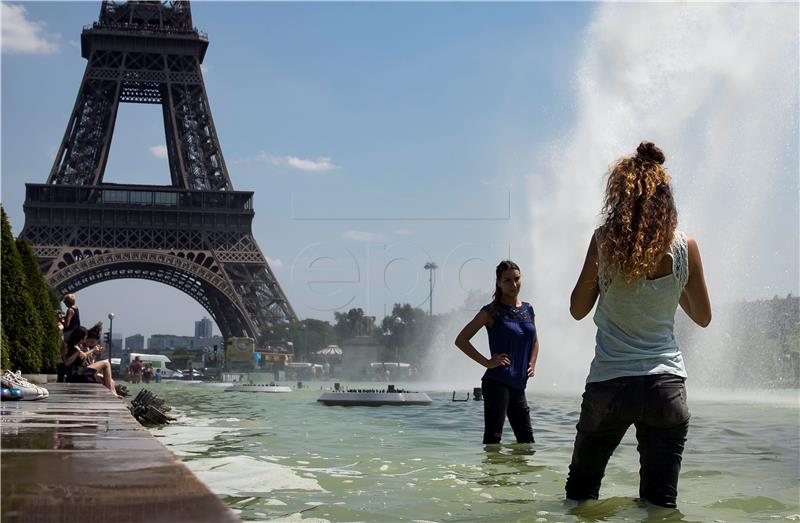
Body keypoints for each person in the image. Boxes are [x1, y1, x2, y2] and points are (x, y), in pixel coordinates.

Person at [565, 141, 712, 508]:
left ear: (620, 195)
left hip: (610, 384)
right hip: (666, 386)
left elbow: (577, 310)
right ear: (665, 196)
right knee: (660, 505)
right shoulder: (685, 247)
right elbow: (703, 317)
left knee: (580, 496)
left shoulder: (604, 242)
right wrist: (672, 284)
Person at [455, 260, 539, 444]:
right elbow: (461, 340)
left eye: (517, 279)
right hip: (497, 383)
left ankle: (520, 473)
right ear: (499, 282)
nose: (514, 284)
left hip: (519, 384)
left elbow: (534, 340)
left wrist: (532, 363)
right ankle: (491, 474)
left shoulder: (528, 309)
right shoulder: (490, 312)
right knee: (493, 441)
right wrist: (487, 362)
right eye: (507, 280)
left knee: (527, 442)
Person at [61, 327, 121, 398]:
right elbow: (67, 363)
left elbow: (84, 358)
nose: (83, 341)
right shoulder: (67, 346)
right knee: (106, 363)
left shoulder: (79, 346)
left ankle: (114, 394)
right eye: (83, 338)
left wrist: (94, 353)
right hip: (75, 373)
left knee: (111, 381)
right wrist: (90, 350)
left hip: (81, 371)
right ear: (78, 336)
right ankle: (111, 393)